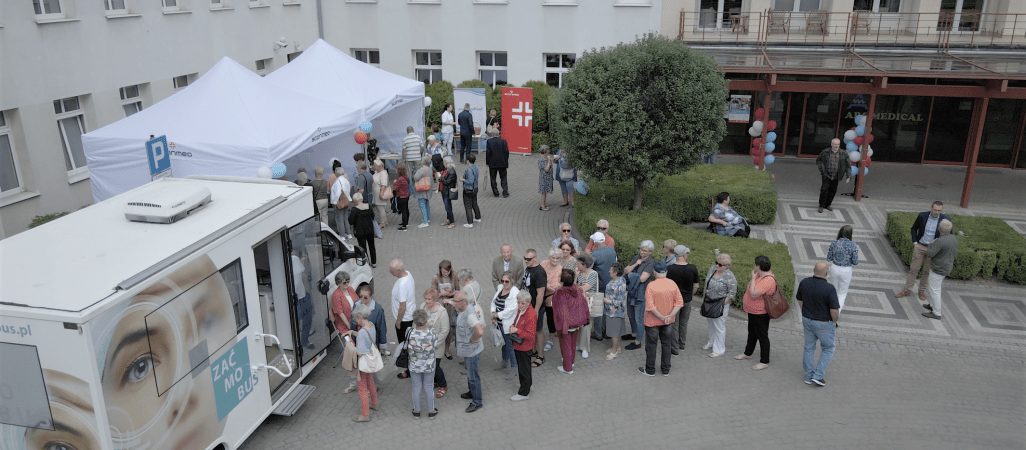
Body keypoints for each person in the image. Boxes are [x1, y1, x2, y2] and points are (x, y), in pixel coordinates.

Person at [797, 262, 840, 387]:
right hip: (823, 323)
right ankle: (818, 376)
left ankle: (809, 376)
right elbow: (834, 310)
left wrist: (805, 311)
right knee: (828, 348)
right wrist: (834, 322)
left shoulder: (804, 282)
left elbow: (799, 299)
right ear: (826, 273)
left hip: (807, 319)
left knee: (809, 347)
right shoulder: (829, 288)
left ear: (813, 270)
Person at [898, 201, 952, 301]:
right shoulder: (922, 216)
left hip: (933, 249)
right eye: (935, 210)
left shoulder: (945, 220)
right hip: (920, 246)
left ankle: (921, 291)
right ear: (931, 207)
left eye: (939, 210)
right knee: (914, 269)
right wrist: (915, 243)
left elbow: (949, 236)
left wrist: (939, 241)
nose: (937, 212)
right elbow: (914, 228)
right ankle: (907, 290)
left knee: (927, 271)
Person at [638, 261, 684, 377]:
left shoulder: (651, 286)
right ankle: (665, 369)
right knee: (666, 344)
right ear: (666, 272)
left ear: (654, 272)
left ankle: (650, 370)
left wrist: (661, 317)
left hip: (652, 322)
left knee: (651, 345)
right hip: (668, 321)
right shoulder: (672, 283)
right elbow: (679, 303)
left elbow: (650, 307)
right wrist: (669, 316)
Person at [736, 255, 776, 370]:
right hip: (753, 311)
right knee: (752, 333)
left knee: (762, 336)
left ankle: (764, 361)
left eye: (755, 265)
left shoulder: (767, 280)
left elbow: (753, 293)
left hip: (760, 313)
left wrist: (753, 278)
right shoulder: (761, 276)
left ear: (758, 266)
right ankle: (748, 353)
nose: (754, 267)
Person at [552, 268, 589, 374]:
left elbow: (560, 310)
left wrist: (563, 327)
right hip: (577, 322)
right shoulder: (576, 289)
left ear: (562, 281)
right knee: (572, 344)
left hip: (566, 324)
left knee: (566, 345)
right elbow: (583, 304)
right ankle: (571, 362)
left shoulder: (559, 293)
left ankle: (567, 368)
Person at [453, 291, 484, 413]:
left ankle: (477, 402)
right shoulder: (463, 307)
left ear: (464, 302)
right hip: (467, 351)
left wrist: (474, 338)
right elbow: (454, 303)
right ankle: (472, 392)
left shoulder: (470, 316)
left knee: (473, 377)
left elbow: (480, 331)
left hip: (472, 352)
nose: (454, 303)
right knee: (470, 373)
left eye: (456, 301)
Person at [624, 240, 657, 350]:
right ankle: (634, 334)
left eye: (645, 251)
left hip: (640, 294)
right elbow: (626, 270)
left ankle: (638, 341)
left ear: (650, 252)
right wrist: (636, 264)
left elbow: (642, 279)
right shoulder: (636, 258)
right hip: (631, 291)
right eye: (641, 249)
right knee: (630, 314)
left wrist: (630, 275)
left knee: (638, 318)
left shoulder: (650, 263)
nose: (642, 252)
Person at [329, 271, 358, 393]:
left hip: (356, 322)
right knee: (351, 350)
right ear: (338, 283)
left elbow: (358, 304)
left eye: (348, 281)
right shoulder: (336, 295)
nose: (347, 284)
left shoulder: (350, 289)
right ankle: (353, 383)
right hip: (345, 326)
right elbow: (341, 314)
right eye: (344, 282)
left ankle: (362, 378)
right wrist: (351, 328)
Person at [922, 219, 957, 320]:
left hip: (938, 269)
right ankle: (932, 305)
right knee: (936, 289)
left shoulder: (940, 241)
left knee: (934, 291)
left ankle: (936, 313)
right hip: (946, 267)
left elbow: (930, 254)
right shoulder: (953, 238)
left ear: (940, 228)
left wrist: (931, 244)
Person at [703, 253, 737, 358]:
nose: (717, 265)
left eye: (720, 264)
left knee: (719, 326)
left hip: (720, 304)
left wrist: (722, 304)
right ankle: (711, 342)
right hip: (709, 301)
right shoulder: (712, 269)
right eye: (716, 263)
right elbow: (706, 283)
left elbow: (732, 293)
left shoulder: (730, 276)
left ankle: (719, 349)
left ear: (727, 266)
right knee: (711, 323)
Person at [350, 304, 380, 422]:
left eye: (355, 318)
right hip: (370, 362)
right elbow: (367, 338)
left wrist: (349, 346)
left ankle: (365, 414)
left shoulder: (362, 332)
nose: (355, 320)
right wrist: (353, 332)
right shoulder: (371, 325)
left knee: (362, 387)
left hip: (363, 363)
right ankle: (375, 403)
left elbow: (360, 352)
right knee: (370, 381)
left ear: (360, 317)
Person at [667, 245, 699, 354]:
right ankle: (682, 344)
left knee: (674, 324)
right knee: (683, 323)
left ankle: (674, 347)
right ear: (684, 255)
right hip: (687, 300)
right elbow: (696, 286)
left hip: (674, 301)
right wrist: (690, 295)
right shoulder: (692, 268)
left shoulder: (670, 268)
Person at [407, 309, 438, 419]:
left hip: (414, 365)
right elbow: (435, 345)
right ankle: (431, 411)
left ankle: (416, 411)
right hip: (429, 365)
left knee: (416, 387)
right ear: (426, 320)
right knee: (428, 387)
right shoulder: (432, 332)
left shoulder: (409, 332)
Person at [521, 248, 549, 369]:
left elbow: (540, 294)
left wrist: (536, 310)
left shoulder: (539, 272)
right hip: (527, 306)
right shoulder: (529, 268)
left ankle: (540, 356)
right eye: (525, 258)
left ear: (535, 258)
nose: (526, 261)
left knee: (538, 330)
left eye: (529, 259)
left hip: (536, 307)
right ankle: (533, 349)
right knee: (530, 329)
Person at [490, 271, 520, 379]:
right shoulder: (500, 288)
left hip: (508, 324)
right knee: (503, 344)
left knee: (510, 346)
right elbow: (493, 302)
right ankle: (504, 361)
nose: (504, 283)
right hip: (498, 322)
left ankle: (514, 367)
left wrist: (496, 315)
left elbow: (510, 310)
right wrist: (493, 312)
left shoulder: (515, 293)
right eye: (502, 281)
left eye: (506, 281)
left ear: (512, 281)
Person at [509, 290, 537, 401]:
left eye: (522, 303)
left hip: (524, 346)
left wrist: (516, 330)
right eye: (518, 302)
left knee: (523, 368)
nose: (520, 305)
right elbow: (516, 321)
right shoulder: (522, 310)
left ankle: (524, 393)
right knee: (524, 367)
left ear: (528, 303)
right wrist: (512, 326)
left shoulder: (531, 314)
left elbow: (530, 335)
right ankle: (527, 384)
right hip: (519, 345)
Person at [422, 288, 450, 399]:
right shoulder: (423, 307)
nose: (427, 301)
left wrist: (434, 344)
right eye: (425, 298)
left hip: (436, 346)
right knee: (428, 365)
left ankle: (443, 385)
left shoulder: (442, 312)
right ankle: (435, 381)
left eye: (429, 299)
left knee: (435, 366)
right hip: (424, 344)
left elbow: (445, 330)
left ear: (435, 299)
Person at [390, 259, 416, 378]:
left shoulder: (401, 285)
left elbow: (402, 306)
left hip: (404, 320)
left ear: (399, 269)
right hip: (410, 316)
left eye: (392, 270)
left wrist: (398, 322)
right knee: (409, 344)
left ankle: (409, 369)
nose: (390, 272)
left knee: (405, 346)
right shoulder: (408, 274)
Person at [589, 231, 617, 341]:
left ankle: (598, 333)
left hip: (599, 285)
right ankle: (606, 331)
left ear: (595, 242)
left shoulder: (594, 255)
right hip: (611, 284)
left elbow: (589, 269)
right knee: (608, 309)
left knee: (598, 309)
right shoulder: (612, 250)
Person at [539, 247, 564, 358]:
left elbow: (561, 284)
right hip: (541, 291)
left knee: (550, 317)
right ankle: (537, 337)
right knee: (538, 314)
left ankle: (550, 339)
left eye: (557, 258)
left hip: (552, 294)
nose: (555, 260)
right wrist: (546, 285)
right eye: (553, 258)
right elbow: (539, 277)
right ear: (550, 257)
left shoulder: (560, 269)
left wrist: (553, 287)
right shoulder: (543, 263)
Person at [827, 225, 858, 312]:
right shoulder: (853, 245)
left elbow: (829, 258)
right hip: (846, 270)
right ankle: (836, 313)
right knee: (842, 294)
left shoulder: (834, 243)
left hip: (834, 268)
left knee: (834, 291)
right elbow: (855, 262)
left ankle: (829, 309)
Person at [352, 284, 389, 355]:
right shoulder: (356, 304)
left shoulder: (378, 310)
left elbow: (382, 328)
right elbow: (353, 323)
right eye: (361, 296)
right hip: (358, 340)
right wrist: (352, 340)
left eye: (365, 297)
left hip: (371, 343)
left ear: (371, 296)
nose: (362, 299)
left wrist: (382, 346)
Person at [816, 138, 850, 213]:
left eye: (838, 144)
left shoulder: (843, 153)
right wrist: (822, 169)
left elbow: (848, 165)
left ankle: (828, 204)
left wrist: (848, 176)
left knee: (833, 190)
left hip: (836, 175)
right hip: (826, 174)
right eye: (835, 144)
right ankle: (821, 205)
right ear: (831, 144)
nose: (836, 146)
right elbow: (819, 160)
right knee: (824, 189)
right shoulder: (825, 152)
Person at [575, 253, 599, 359]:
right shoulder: (579, 273)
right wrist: (576, 276)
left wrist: (577, 287)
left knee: (586, 325)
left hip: (589, 302)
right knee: (579, 324)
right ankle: (580, 344)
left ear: (584, 264)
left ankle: (585, 348)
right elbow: (573, 285)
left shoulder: (593, 274)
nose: (577, 265)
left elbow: (586, 287)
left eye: (579, 264)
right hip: (578, 301)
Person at [432, 260, 457, 360]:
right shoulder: (436, 278)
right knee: (440, 327)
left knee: (449, 328)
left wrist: (451, 292)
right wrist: (442, 293)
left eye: (447, 272)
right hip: (441, 305)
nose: (446, 274)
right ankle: (437, 347)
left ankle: (447, 350)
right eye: (443, 272)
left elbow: (458, 290)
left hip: (451, 306)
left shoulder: (454, 275)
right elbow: (433, 294)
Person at [603, 262, 628, 360]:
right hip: (611, 311)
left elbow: (620, 300)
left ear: (615, 273)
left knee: (614, 333)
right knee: (617, 331)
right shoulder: (619, 280)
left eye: (611, 270)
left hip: (615, 312)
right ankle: (618, 347)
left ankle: (614, 351)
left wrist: (608, 301)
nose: (609, 271)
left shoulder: (619, 283)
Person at [291, 251, 315, 350]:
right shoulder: (281, 264)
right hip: (293, 298)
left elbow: (302, 276)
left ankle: (304, 340)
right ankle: (295, 343)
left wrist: (307, 292)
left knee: (308, 319)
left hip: (303, 295)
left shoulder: (294, 259)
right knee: (295, 321)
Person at [348, 197, 376, 267]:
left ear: (355, 201)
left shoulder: (354, 210)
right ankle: (374, 262)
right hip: (370, 229)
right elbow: (373, 216)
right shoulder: (368, 206)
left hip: (360, 231)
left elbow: (350, 221)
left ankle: (366, 262)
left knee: (362, 247)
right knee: (372, 246)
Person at [485, 129, 510, 197]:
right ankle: (505, 192)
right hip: (502, 163)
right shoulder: (503, 141)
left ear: (492, 134)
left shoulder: (489, 141)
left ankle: (496, 193)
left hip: (493, 163)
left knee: (493, 178)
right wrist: (505, 160)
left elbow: (488, 153)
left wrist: (487, 162)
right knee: (503, 178)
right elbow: (507, 152)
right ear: (498, 134)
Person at [330, 167, 353, 239]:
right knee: (346, 218)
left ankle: (342, 235)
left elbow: (337, 193)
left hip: (339, 202)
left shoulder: (337, 182)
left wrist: (334, 202)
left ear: (336, 173)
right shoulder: (346, 180)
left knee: (340, 219)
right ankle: (349, 233)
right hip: (346, 201)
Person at [413, 155, 435, 228]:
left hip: (422, 189)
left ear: (423, 162)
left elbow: (416, 177)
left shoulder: (421, 169)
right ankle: (427, 218)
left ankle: (425, 221)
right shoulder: (430, 169)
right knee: (426, 204)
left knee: (422, 205)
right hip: (428, 189)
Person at [461, 153, 481, 227]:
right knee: (474, 203)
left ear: (468, 161)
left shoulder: (469, 170)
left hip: (469, 190)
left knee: (468, 206)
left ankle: (470, 223)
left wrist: (463, 180)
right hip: (475, 188)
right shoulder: (475, 167)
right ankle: (478, 218)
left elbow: (470, 181)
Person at [371, 159, 390, 228]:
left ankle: (382, 223)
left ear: (379, 166)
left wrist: (381, 193)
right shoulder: (378, 172)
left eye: (375, 166)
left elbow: (384, 184)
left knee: (380, 209)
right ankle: (385, 221)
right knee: (381, 208)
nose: (374, 167)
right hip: (376, 193)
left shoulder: (383, 173)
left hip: (379, 193)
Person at [439, 159, 458, 229]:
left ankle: (452, 222)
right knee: (447, 206)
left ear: (447, 163)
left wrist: (441, 178)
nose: (443, 163)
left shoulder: (451, 172)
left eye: (444, 162)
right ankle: (448, 219)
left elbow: (447, 182)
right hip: (444, 191)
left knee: (448, 207)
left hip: (447, 192)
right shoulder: (446, 170)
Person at [393, 164, 411, 231]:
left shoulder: (400, 179)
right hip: (406, 195)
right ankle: (406, 222)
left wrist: (394, 183)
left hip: (401, 196)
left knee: (403, 211)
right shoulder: (406, 177)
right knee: (406, 209)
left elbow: (396, 188)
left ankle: (404, 227)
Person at [538, 145, 554, 210]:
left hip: (546, 177)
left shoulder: (544, 157)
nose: (549, 151)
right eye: (548, 150)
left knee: (545, 192)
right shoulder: (542, 159)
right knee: (543, 192)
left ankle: (544, 204)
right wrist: (549, 161)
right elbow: (546, 169)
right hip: (544, 178)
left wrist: (550, 159)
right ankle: (542, 206)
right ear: (545, 151)